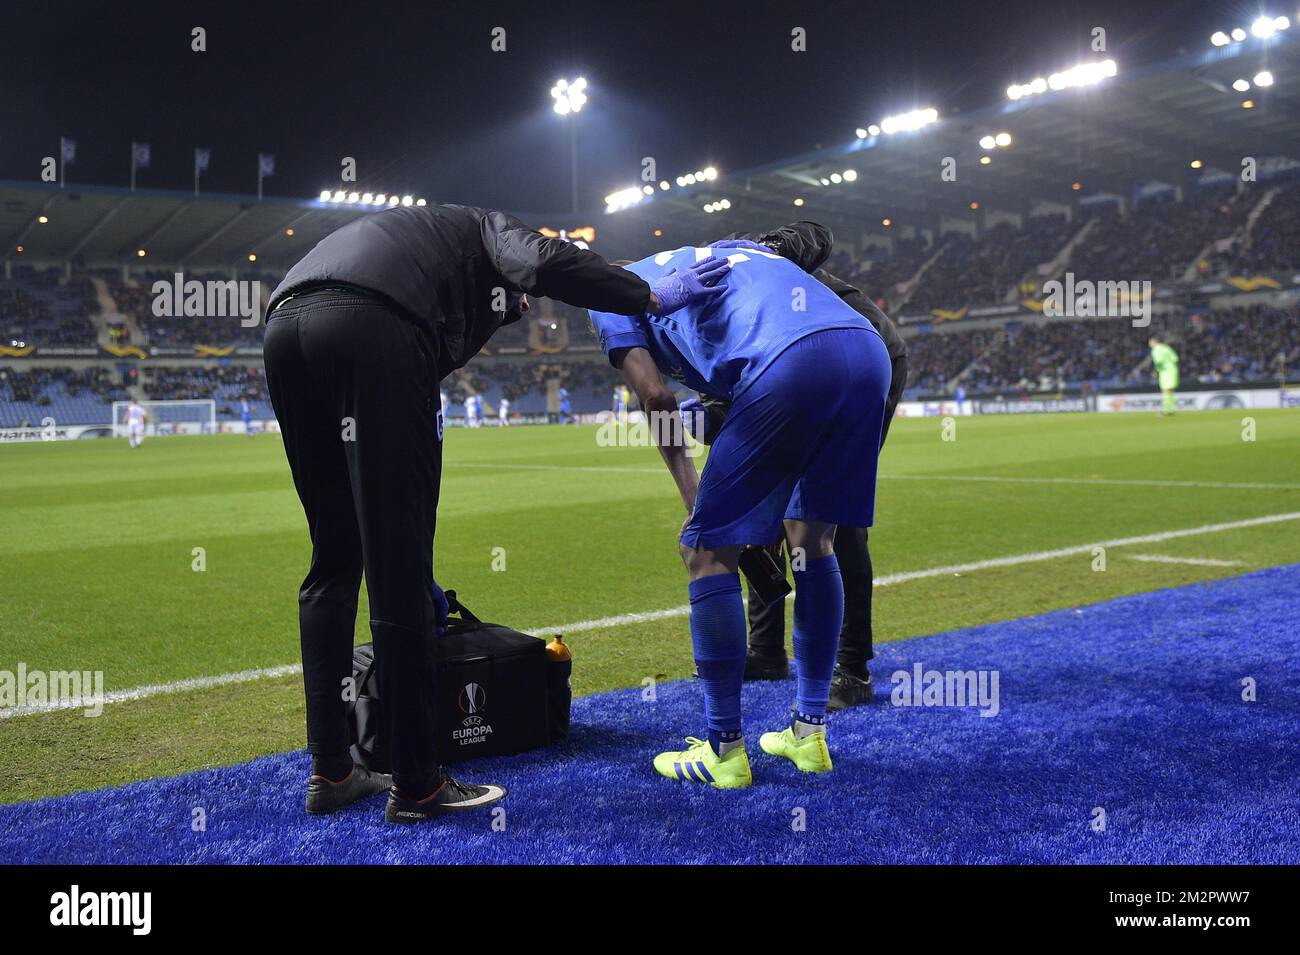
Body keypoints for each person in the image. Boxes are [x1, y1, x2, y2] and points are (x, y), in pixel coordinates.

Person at [264, 202, 729, 823]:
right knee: (397, 571)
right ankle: (418, 785)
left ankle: (331, 769)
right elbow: (543, 260)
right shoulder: (486, 227)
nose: (518, 313)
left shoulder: (415, 243)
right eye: (514, 306)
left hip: (286, 326)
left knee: (334, 562)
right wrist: (646, 293)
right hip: (373, 322)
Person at [589, 240, 890, 789]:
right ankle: (809, 734)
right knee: (812, 539)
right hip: (867, 353)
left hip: (788, 360)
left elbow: (654, 397)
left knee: (706, 554)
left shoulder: (608, 290)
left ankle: (724, 750)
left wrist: (693, 501)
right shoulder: (716, 250)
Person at [684, 222, 908, 710]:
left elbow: (816, 234)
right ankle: (766, 651)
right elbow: (718, 402)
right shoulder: (695, 316)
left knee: (825, 520)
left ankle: (851, 669)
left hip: (862, 359)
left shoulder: (741, 269)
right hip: (784, 373)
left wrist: (770, 249)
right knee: (757, 512)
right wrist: (705, 423)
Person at [1150, 335, 1179, 415]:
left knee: (1165, 391)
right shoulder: (1166, 348)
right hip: (1173, 370)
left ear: (1154, 342)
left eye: (1150, 342)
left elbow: (1158, 361)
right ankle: (1171, 409)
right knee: (1170, 391)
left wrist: (1155, 371)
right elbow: (1175, 358)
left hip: (1165, 372)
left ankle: (1166, 410)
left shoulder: (1156, 349)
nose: (1150, 344)